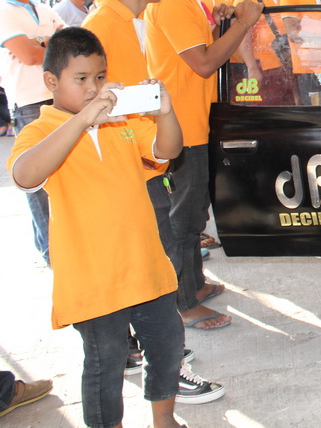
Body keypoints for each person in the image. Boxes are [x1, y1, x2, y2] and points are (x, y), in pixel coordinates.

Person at [8, 27, 188, 428]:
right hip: (92, 280)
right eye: (81, 78)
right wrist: (83, 121)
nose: (93, 88)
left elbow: (168, 149)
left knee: (167, 345)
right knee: (106, 363)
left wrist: (165, 112)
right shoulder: (40, 131)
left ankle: (165, 419)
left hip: (144, 266)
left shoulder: (121, 122)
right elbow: (24, 175)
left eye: (100, 76)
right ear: (51, 81)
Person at [83, 0, 228, 401]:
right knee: (155, 266)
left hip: (141, 160)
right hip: (126, 169)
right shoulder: (105, 26)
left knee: (154, 260)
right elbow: (95, 104)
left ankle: (144, 351)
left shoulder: (122, 20)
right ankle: (166, 365)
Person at [145, 0, 262, 329]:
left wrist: (221, 20)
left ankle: (194, 285)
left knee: (194, 213)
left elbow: (203, 47)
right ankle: (183, 302)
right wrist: (244, 23)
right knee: (185, 219)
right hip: (182, 125)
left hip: (194, 119)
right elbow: (204, 63)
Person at [0, 0, 65, 263]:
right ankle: (52, 252)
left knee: (65, 177)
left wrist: (41, 43)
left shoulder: (44, 8)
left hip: (61, 101)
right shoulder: (3, 11)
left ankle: (67, 247)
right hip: (29, 105)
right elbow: (28, 56)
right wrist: (48, 43)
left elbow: (72, 42)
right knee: (38, 182)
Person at [234, 0, 295, 105]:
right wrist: (252, 68)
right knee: (266, 109)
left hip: (285, 65)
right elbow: (241, 35)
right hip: (263, 67)